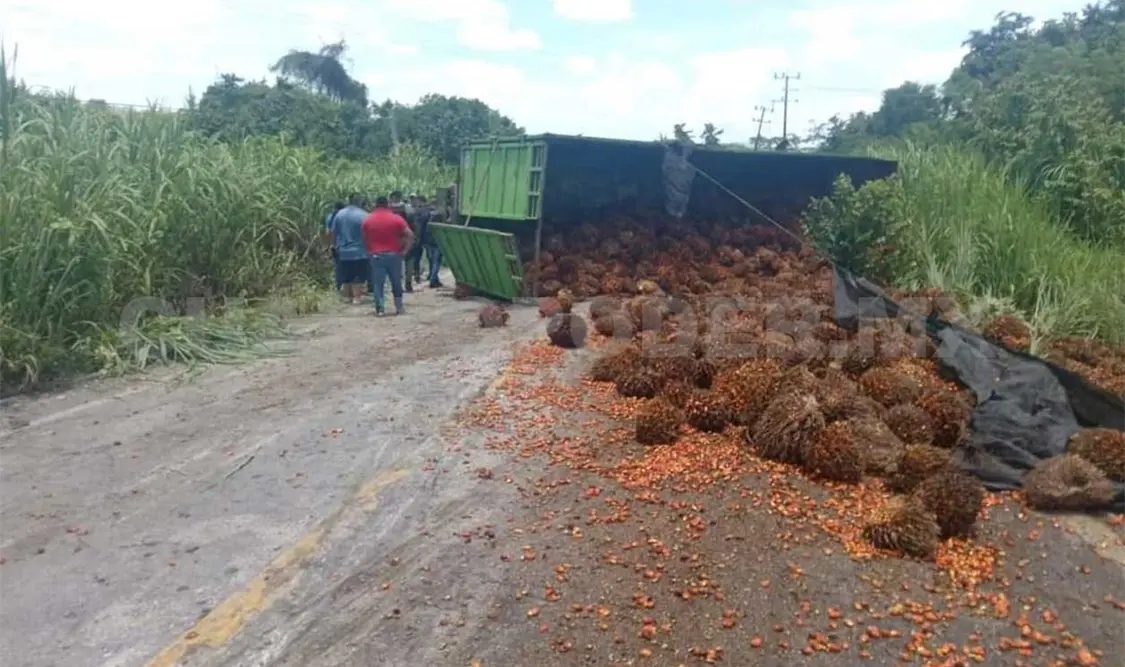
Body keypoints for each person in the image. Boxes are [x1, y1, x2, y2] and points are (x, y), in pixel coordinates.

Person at [362, 196, 415, 316]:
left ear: (376, 204)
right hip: (394, 255)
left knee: (378, 283)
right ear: (388, 205)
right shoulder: (396, 219)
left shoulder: (368, 219)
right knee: (396, 282)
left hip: (376, 255)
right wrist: (405, 250)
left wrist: (369, 250)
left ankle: (380, 309)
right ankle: (399, 307)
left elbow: (365, 238)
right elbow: (410, 235)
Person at [329, 194, 371, 304]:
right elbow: (367, 233)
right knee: (358, 274)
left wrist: (333, 245)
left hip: (343, 250)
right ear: (360, 201)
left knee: (346, 274)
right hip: (360, 250)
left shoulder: (340, 214)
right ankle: (356, 297)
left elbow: (333, 231)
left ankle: (347, 296)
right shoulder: (364, 215)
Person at [389, 190, 417, 292]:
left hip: (392, 240)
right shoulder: (408, 209)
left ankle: (397, 285)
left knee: (395, 263)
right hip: (407, 238)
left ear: (392, 197)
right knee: (409, 261)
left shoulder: (388, 209)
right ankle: (408, 283)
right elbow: (414, 225)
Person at [324, 201, 345, 290]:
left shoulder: (330, 216)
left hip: (335, 245)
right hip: (344, 244)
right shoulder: (344, 216)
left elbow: (328, 232)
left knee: (338, 267)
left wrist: (329, 245)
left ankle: (339, 286)